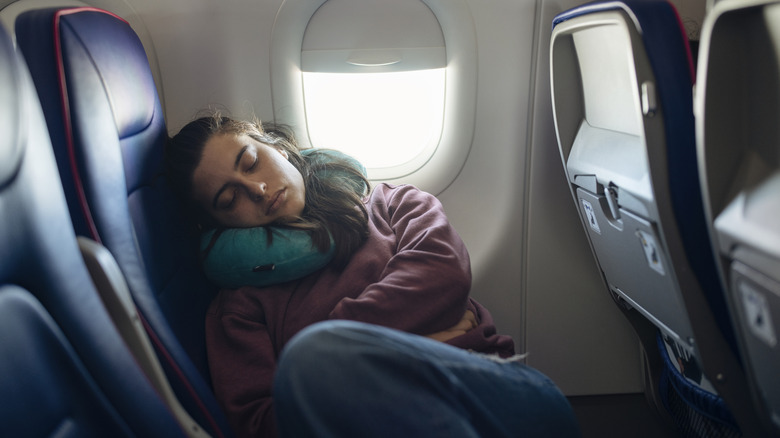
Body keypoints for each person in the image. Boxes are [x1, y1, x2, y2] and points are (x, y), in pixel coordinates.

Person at [165, 113, 580, 438]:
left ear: (275, 145)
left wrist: (335, 365)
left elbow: (443, 277)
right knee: (314, 357)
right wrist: (404, 350)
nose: (256, 190)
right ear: (218, 226)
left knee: (313, 357)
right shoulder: (240, 307)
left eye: (251, 162)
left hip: (501, 398)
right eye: (229, 198)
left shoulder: (394, 203)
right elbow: (261, 424)